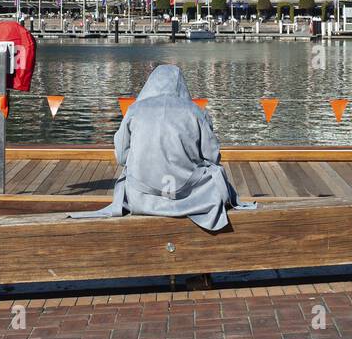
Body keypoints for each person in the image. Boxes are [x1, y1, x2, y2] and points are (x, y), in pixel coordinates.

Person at [71, 64, 253, 232]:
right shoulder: (195, 111)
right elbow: (212, 156)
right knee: (215, 173)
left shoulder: (135, 110)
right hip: (190, 197)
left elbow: (121, 156)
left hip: (141, 197)